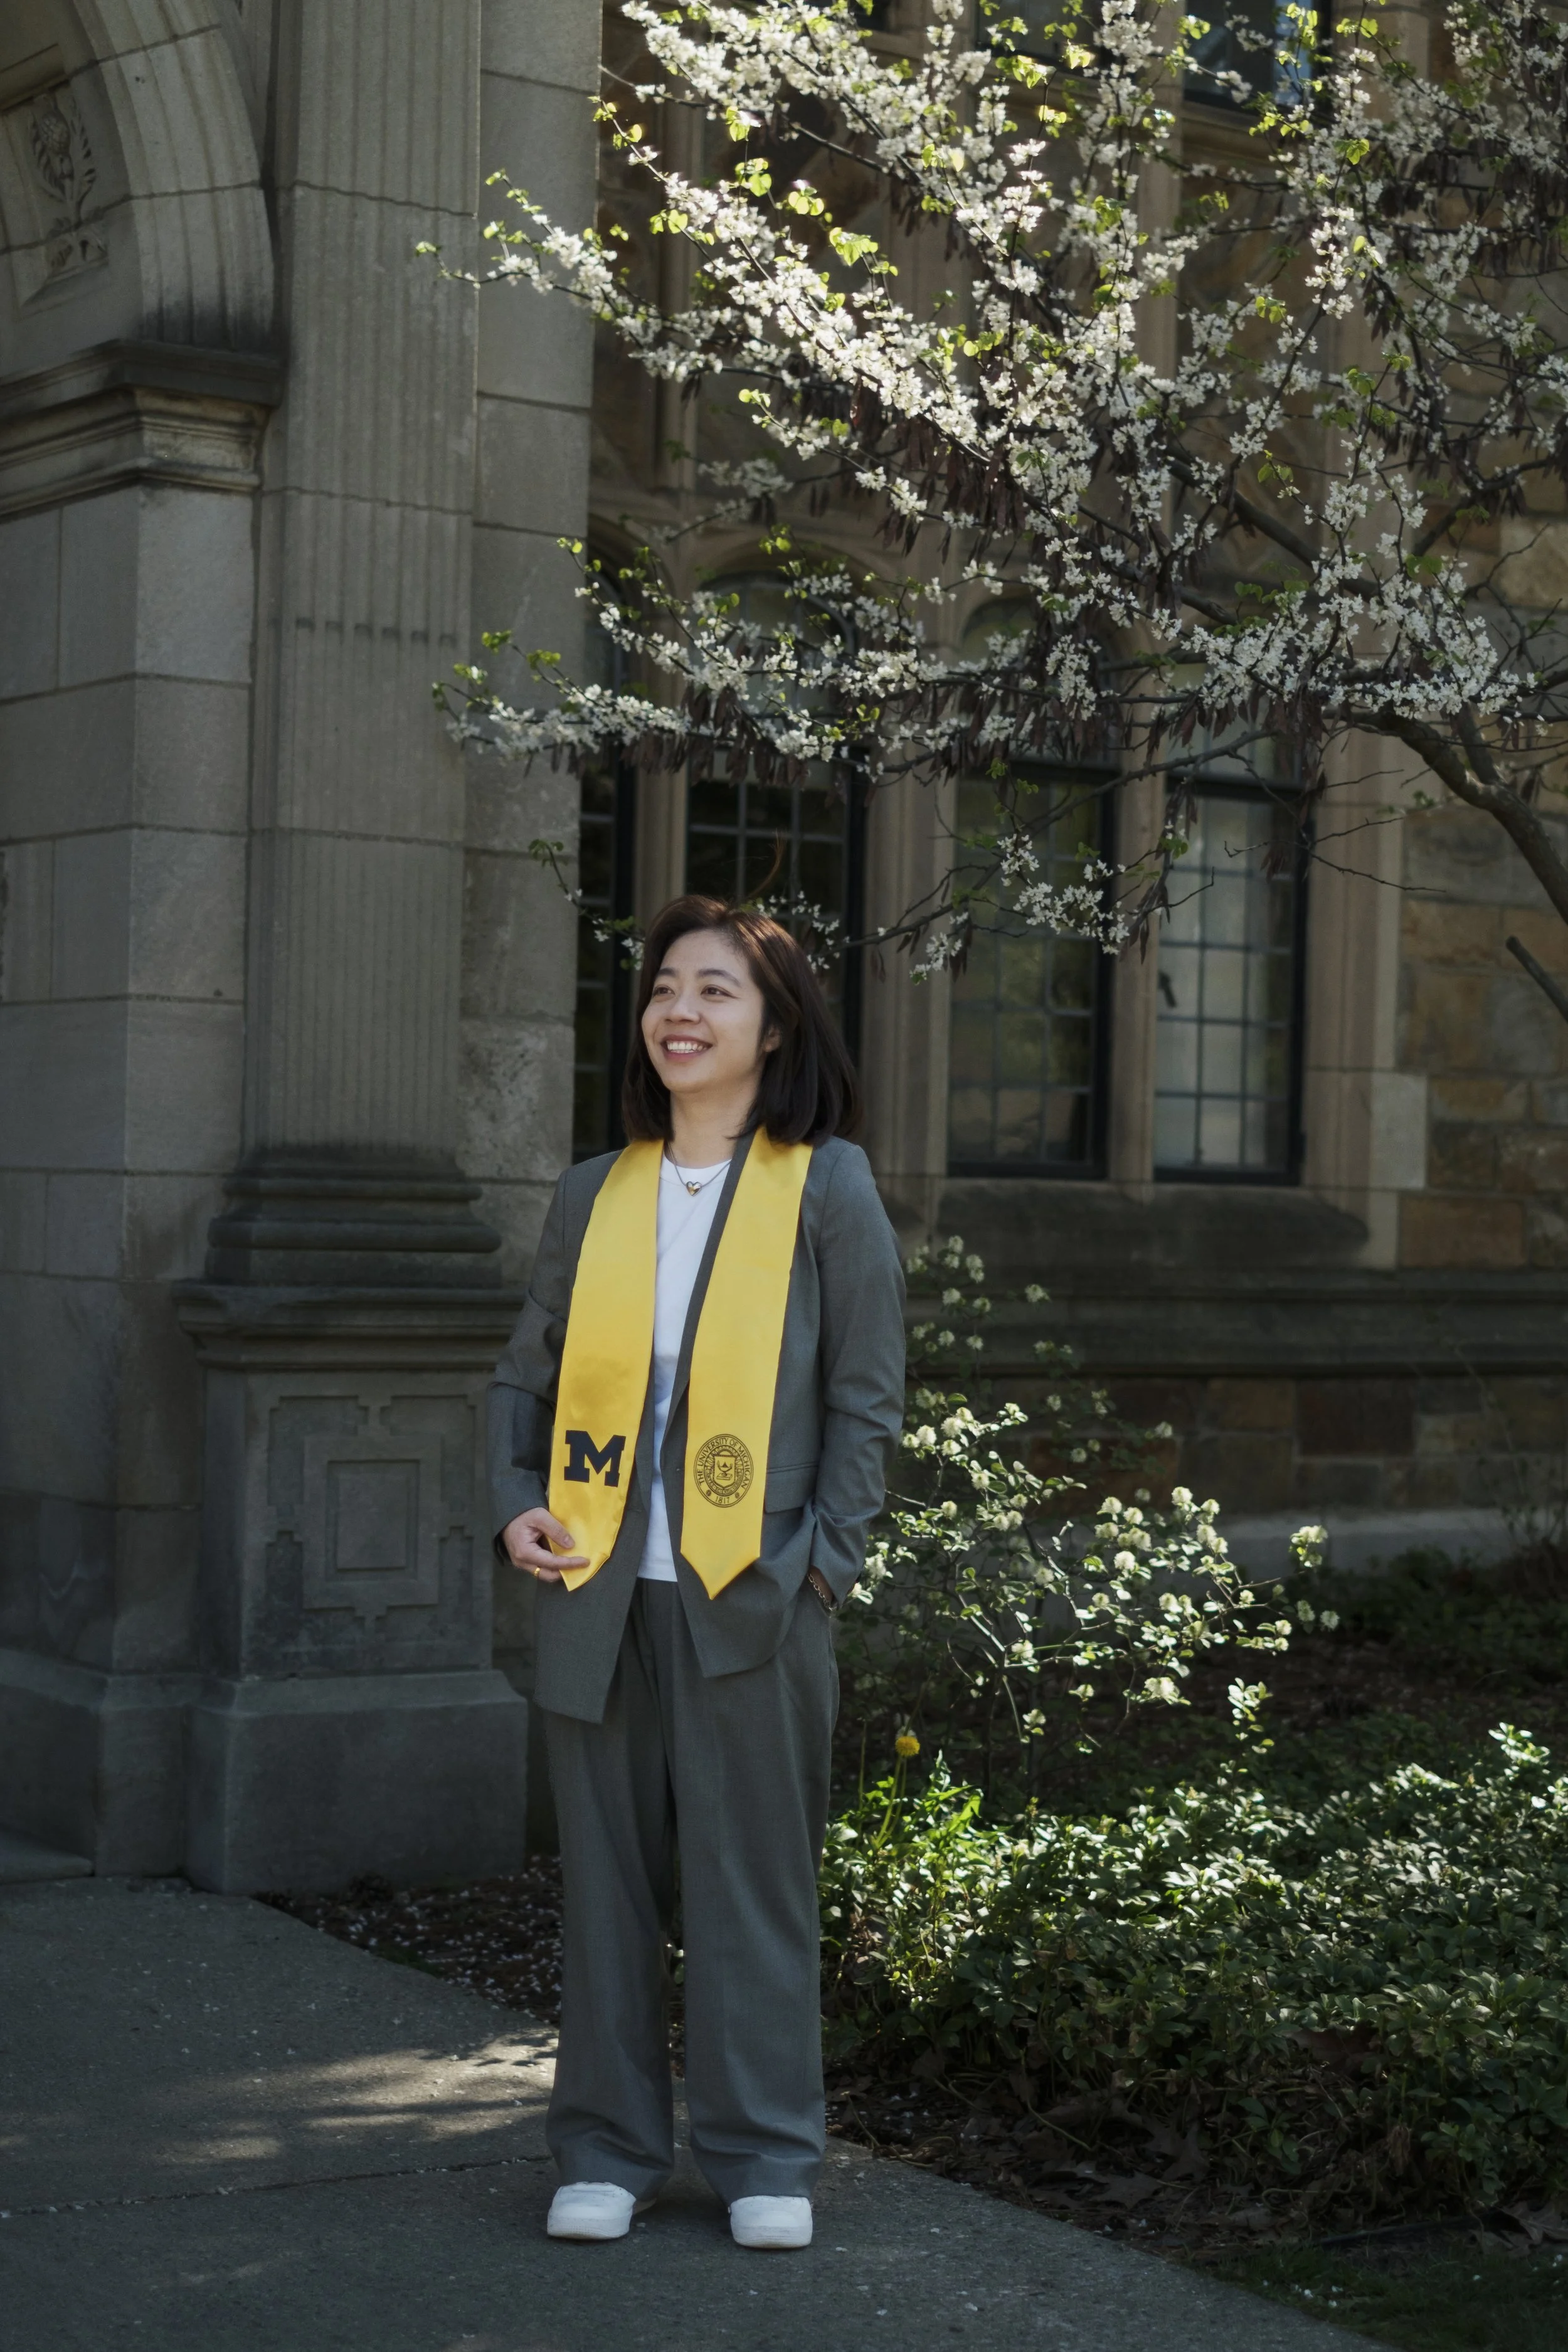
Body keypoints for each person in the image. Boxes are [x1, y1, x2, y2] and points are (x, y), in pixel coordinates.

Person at [488, 894, 906, 2252]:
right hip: (596, 1594)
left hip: (751, 1595)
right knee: (605, 1886)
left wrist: (822, 1569)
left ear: (774, 1025)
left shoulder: (823, 1187)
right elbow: (522, 1388)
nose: (680, 1010)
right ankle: (605, 2147)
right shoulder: (590, 1194)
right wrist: (512, 1509)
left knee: (754, 1888)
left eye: (716, 990)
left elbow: (864, 1398)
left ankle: (761, 2155)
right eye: (666, 986)